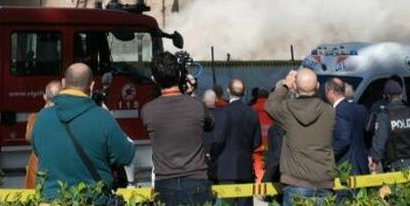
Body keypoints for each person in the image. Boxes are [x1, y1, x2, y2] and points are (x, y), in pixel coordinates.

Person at [31, 63, 135, 202]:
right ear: (91, 86)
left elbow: (38, 152)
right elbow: (126, 156)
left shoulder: (42, 117)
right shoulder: (103, 117)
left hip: (51, 200)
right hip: (93, 199)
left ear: (63, 83)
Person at [140, 52, 212, 205]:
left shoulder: (148, 110)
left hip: (165, 182)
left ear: (154, 79)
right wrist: (193, 94)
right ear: (179, 74)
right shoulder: (197, 106)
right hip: (196, 179)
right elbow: (210, 124)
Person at [266, 69, 336, 206]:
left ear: (295, 87)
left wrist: (286, 85)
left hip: (295, 181)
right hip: (323, 181)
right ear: (317, 86)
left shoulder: (287, 109)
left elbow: (270, 105)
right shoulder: (330, 112)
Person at [209, 78, 261, 205]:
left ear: (228, 91)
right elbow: (257, 141)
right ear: (244, 92)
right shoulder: (252, 113)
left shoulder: (223, 113)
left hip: (226, 169)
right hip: (245, 168)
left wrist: (213, 156)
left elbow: (218, 140)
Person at [370, 80, 410, 172]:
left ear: (385, 96)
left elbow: (380, 142)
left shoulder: (385, 115)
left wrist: (375, 160)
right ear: (401, 95)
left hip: (398, 166)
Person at [327, 78, 369, 179]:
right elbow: (368, 134)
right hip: (361, 163)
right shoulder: (361, 109)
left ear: (331, 92)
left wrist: (327, 155)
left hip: (347, 166)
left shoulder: (339, 111)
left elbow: (344, 140)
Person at [26, 79, 62, 189]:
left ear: (45, 97)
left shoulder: (35, 118)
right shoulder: (68, 117)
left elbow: (29, 137)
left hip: (38, 171)